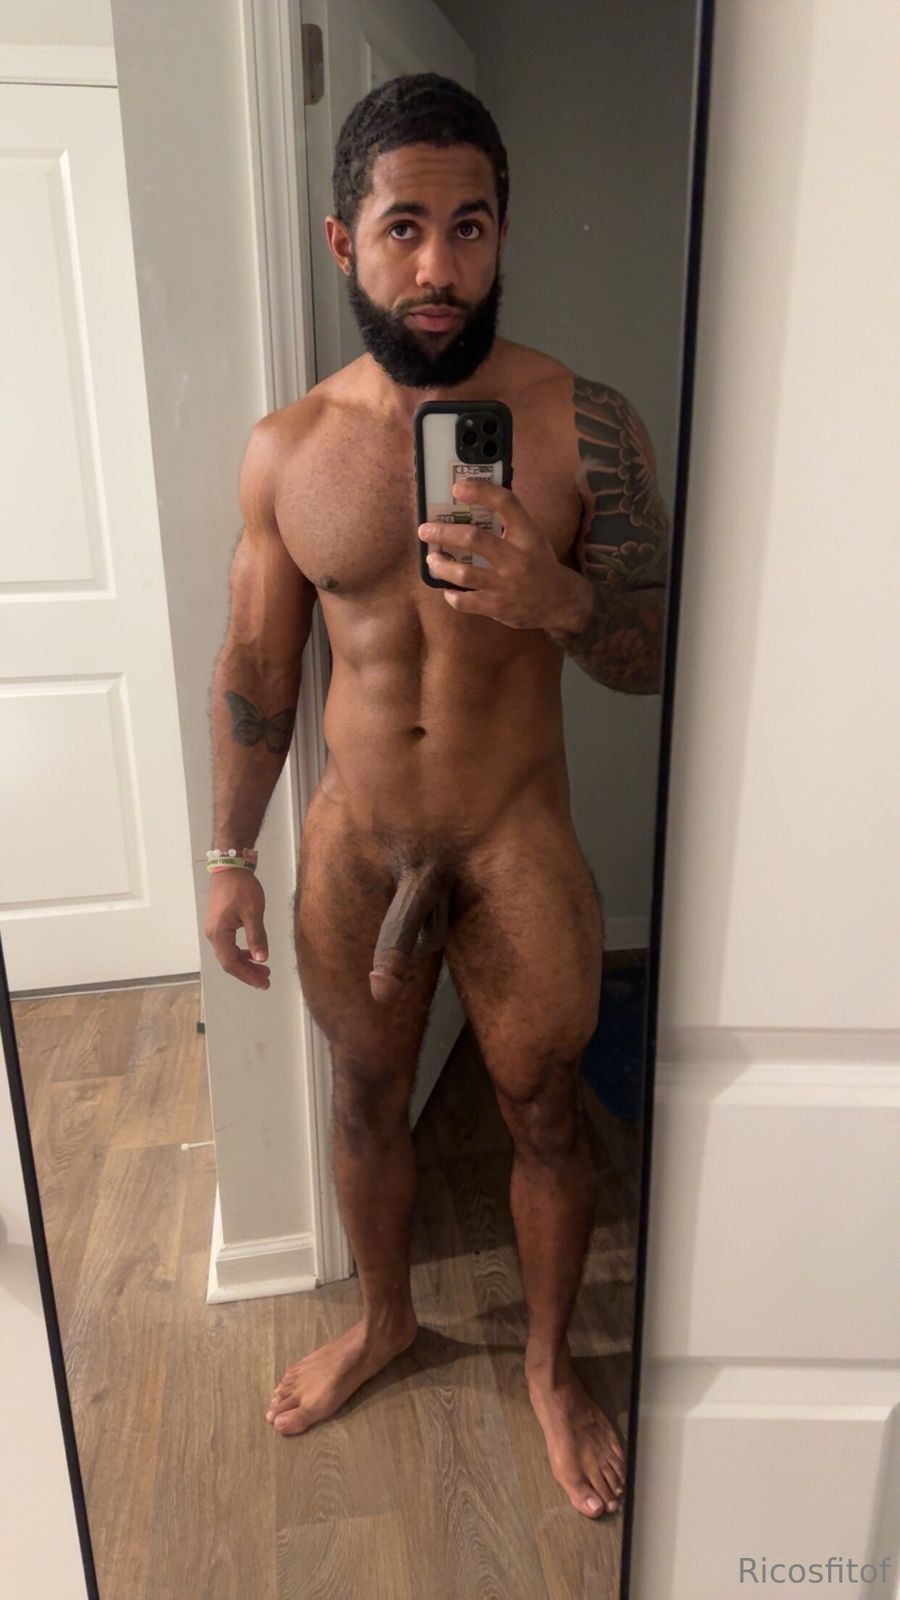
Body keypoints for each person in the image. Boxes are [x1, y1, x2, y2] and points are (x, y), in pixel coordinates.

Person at [205, 73, 670, 1522]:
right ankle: (387, 1320)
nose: (438, 267)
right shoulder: (288, 448)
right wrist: (226, 852)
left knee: (544, 1110)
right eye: (404, 227)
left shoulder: (584, 425)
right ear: (343, 241)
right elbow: (257, 670)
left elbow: (661, 653)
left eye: (470, 227)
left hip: (514, 833)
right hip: (359, 838)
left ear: (501, 233)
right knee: (361, 1096)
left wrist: (559, 597)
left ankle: (545, 1363)